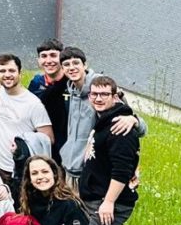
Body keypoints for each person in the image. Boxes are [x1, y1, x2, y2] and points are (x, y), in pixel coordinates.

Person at [79, 75, 140, 225]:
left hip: (111, 202)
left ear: (115, 97)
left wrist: (109, 202)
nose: (98, 98)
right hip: (94, 197)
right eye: (94, 94)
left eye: (104, 94)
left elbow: (122, 170)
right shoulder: (104, 119)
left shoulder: (120, 126)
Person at [59, 47, 143, 184]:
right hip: (70, 169)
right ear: (62, 69)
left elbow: (133, 121)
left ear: (85, 65)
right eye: (66, 65)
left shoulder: (101, 91)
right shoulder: (71, 91)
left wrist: (134, 120)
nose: (71, 67)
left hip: (89, 172)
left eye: (76, 63)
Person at [0, 54, 53, 183]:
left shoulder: (33, 104)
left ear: (20, 73)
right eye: (2, 71)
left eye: (12, 70)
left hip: (20, 170)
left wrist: (24, 145)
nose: (7, 75)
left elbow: (48, 138)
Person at [29, 40, 69, 158]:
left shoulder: (72, 82)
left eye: (53, 55)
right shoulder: (36, 83)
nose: (48, 61)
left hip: (68, 146)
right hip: (44, 147)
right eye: (44, 56)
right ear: (38, 61)